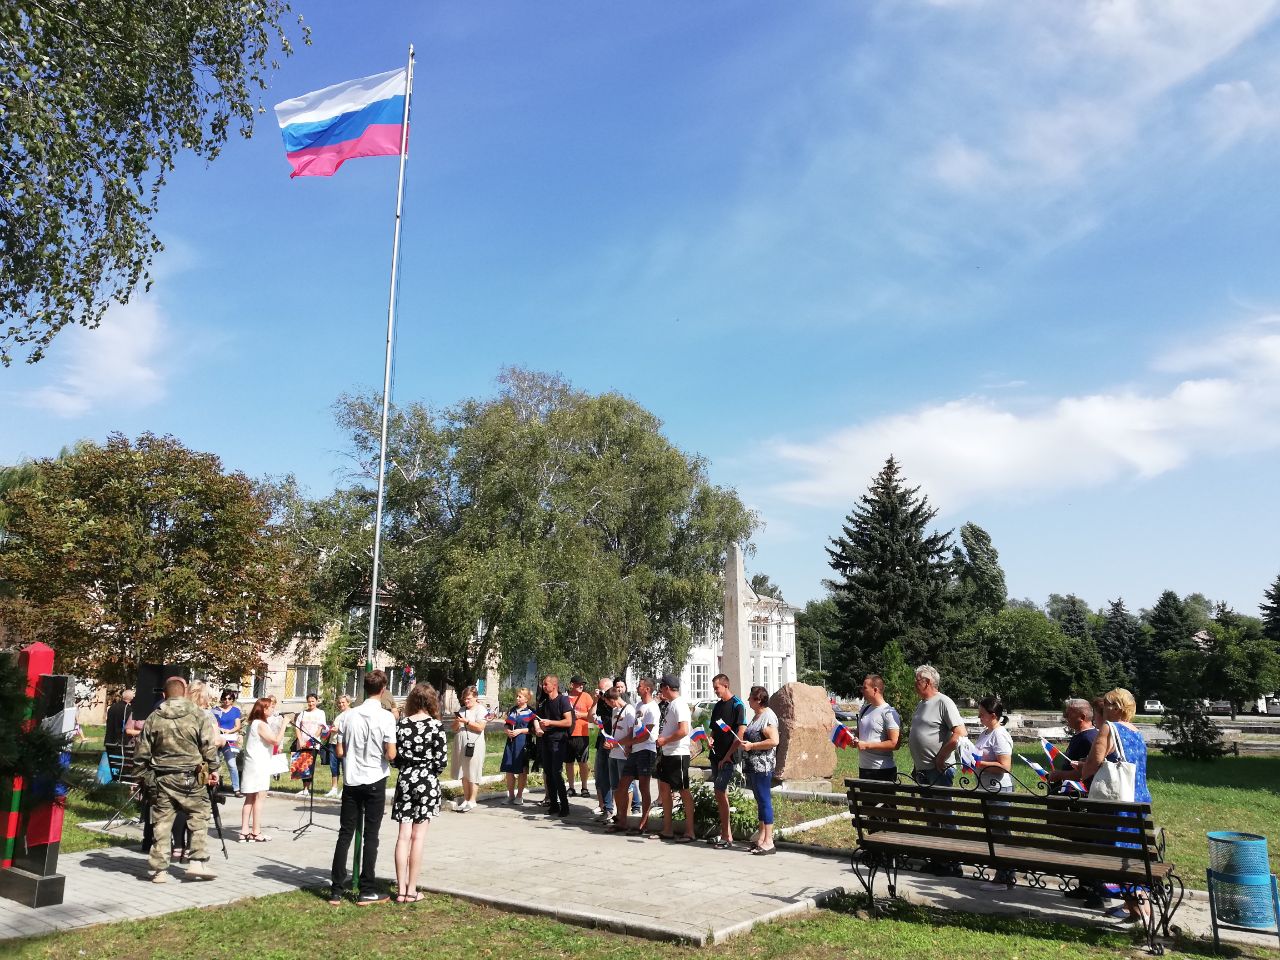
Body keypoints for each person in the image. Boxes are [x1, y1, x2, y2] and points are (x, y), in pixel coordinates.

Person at [134, 676, 220, 882]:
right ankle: (197, 863)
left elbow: (141, 752)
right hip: (193, 777)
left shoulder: (154, 717)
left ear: (164, 695)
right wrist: (213, 769)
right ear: (184, 693)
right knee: (199, 818)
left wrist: (142, 778)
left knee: (162, 824)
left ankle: (159, 871)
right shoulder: (198, 715)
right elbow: (208, 746)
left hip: (162, 779)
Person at [1079, 687, 1152, 924]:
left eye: (1109, 704)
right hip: (1137, 798)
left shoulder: (1109, 728)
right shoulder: (1136, 731)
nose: (1104, 708)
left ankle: (1134, 906)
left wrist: (1083, 775)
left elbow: (1095, 760)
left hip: (1115, 802)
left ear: (1119, 708)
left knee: (1114, 854)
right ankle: (1139, 905)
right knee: (1130, 854)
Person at [329, 670, 398, 906]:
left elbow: (340, 751)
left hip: (352, 779)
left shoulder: (349, 716)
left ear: (364, 688)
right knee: (371, 835)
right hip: (375, 779)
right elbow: (391, 754)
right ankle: (367, 888)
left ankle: (336, 889)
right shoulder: (387, 717)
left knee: (345, 834)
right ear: (383, 688)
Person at [391, 682, 447, 904]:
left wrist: (407, 768)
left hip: (405, 779)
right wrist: (428, 771)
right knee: (418, 837)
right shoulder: (435, 726)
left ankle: (401, 889)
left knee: (403, 836)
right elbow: (441, 761)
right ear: (432, 701)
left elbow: (395, 757)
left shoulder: (401, 724)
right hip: (427, 781)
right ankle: (412, 890)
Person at [908, 664, 966, 876]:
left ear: (928, 682)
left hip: (939, 770)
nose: (915, 684)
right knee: (931, 817)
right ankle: (937, 859)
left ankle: (953, 863)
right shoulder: (921, 704)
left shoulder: (943, 702)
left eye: (917, 680)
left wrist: (942, 755)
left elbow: (960, 732)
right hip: (923, 771)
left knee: (945, 816)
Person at [1049, 698, 1104, 907]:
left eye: (1069, 713)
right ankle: (1085, 885)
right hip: (1076, 800)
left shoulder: (1089, 738)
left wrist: (1060, 775)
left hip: (1083, 801)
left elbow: (1086, 771)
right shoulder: (1084, 736)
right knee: (1080, 842)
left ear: (1081, 717)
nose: (1065, 717)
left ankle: (1094, 889)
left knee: (1086, 843)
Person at [973, 695, 1015, 890]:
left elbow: (1005, 766)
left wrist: (980, 764)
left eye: (981, 714)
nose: (979, 717)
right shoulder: (986, 732)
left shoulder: (999, 734)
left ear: (992, 715)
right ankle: (1002, 874)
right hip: (987, 788)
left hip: (998, 789)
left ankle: (1004, 877)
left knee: (1000, 833)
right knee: (994, 832)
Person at [613, 677, 659, 833]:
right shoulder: (639, 705)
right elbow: (634, 728)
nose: (637, 688)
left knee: (644, 787)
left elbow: (646, 735)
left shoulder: (653, 708)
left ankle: (643, 825)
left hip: (647, 750)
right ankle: (622, 821)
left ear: (647, 689)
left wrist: (627, 742)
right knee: (622, 786)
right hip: (635, 751)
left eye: (639, 686)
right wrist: (629, 744)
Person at [654, 673, 696, 843]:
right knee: (664, 789)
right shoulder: (672, 704)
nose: (660, 690)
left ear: (667, 688)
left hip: (678, 753)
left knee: (683, 790)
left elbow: (684, 730)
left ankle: (690, 831)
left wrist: (665, 739)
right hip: (667, 752)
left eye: (662, 687)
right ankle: (667, 829)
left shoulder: (679, 705)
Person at [739, 685, 779, 855]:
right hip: (752, 766)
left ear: (759, 700)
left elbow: (774, 741)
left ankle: (769, 841)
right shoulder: (757, 716)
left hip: (763, 766)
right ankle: (761, 837)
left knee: (764, 800)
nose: (748, 700)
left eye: (751, 698)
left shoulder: (768, 716)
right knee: (759, 801)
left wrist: (753, 745)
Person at [708, 673, 746, 848]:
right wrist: (710, 739)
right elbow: (714, 729)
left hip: (729, 757)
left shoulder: (738, 705)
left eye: (717, 688)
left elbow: (740, 733)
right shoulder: (717, 706)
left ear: (725, 686)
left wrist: (728, 755)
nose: (715, 691)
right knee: (718, 794)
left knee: (719, 790)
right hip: (716, 755)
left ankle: (727, 836)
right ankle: (726, 833)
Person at [239, 697, 280, 842]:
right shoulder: (261, 724)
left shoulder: (253, 723)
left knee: (249, 798)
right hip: (259, 765)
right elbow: (275, 741)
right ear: (263, 709)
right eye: (270, 707)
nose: (272, 709)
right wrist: (285, 725)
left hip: (252, 764)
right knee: (259, 798)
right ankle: (256, 832)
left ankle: (244, 831)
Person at [532, 675, 574, 815]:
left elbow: (568, 721)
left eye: (546, 684)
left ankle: (564, 805)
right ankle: (554, 804)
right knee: (548, 773)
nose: (544, 687)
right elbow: (536, 718)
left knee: (556, 772)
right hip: (546, 740)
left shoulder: (563, 700)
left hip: (559, 741)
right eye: (543, 685)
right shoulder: (543, 702)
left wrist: (551, 723)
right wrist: (538, 728)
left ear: (554, 685)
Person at [853, 674, 900, 781]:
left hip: (883, 770)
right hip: (864, 769)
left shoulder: (888, 712)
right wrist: (854, 738)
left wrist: (867, 745)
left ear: (875, 690)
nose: (862, 691)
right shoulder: (864, 709)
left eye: (865, 688)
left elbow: (895, 743)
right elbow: (861, 734)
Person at [450, 686, 487, 812]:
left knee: (473, 771)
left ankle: (472, 800)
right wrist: (457, 721)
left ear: (476, 697)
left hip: (474, 745)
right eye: (464, 699)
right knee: (464, 772)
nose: (466, 701)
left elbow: (480, 727)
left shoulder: (481, 710)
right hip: (461, 744)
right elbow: (454, 728)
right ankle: (466, 798)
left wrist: (466, 722)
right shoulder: (462, 709)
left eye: (469, 699)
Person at [501, 688, 535, 805]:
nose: (517, 698)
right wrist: (507, 731)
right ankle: (510, 795)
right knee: (509, 770)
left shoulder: (531, 711)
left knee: (522, 770)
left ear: (526, 699)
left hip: (523, 743)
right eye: (517, 696)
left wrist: (520, 731)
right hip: (510, 742)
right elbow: (507, 725)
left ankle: (519, 796)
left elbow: (532, 729)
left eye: (520, 696)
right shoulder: (513, 710)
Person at [564, 676, 594, 799]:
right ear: (572, 685)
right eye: (578, 684)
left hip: (582, 734)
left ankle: (584, 787)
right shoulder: (565, 698)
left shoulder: (586, 696)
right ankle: (571, 787)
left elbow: (592, 714)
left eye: (582, 684)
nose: (581, 686)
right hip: (567, 734)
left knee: (583, 762)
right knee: (569, 762)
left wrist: (580, 715)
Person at [294, 692, 327, 795]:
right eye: (309, 701)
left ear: (316, 701)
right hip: (302, 743)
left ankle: (308, 788)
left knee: (310, 765)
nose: (311, 703)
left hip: (313, 743)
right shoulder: (303, 713)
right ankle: (304, 788)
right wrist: (300, 740)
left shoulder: (320, 713)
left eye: (313, 701)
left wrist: (310, 741)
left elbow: (320, 727)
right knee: (302, 765)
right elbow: (297, 727)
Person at [212, 689, 243, 797]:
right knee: (215, 764)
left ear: (233, 700)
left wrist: (229, 731)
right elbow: (212, 723)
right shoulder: (215, 710)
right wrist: (219, 729)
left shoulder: (235, 711)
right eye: (224, 698)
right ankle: (214, 787)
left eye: (229, 698)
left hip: (229, 740)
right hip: (217, 738)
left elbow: (238, 726)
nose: (226, 700)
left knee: (232, 765)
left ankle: (236, 789)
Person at [593, 677, 615, 818]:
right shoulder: (601, 701)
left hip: (616, 741)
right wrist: (596, 700)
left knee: (619, 776)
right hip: (603, 739)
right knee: (601, 775)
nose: (602, 693)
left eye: (603, 690)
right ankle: (607, 807)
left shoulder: (617, 700)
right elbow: (592, 717)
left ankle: (634, 806)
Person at [324, 694, 352, 797]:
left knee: (345, 766)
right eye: (339, 703)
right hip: (333, 743)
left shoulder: (351, 714)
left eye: (343, 702)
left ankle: (345, 788)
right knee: (333, 766)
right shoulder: (339, 714)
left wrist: (338, 729)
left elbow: (350, 728)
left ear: (348, 702)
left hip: (344, 744)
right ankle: (334, 788)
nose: (341, 705)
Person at [103, 688, 134, 778]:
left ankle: (109, 778)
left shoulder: (112, 707)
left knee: (110, 762)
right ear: (131, 698)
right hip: (120, 741)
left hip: (109, 739)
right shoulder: (128, 709)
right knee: (120, 763)